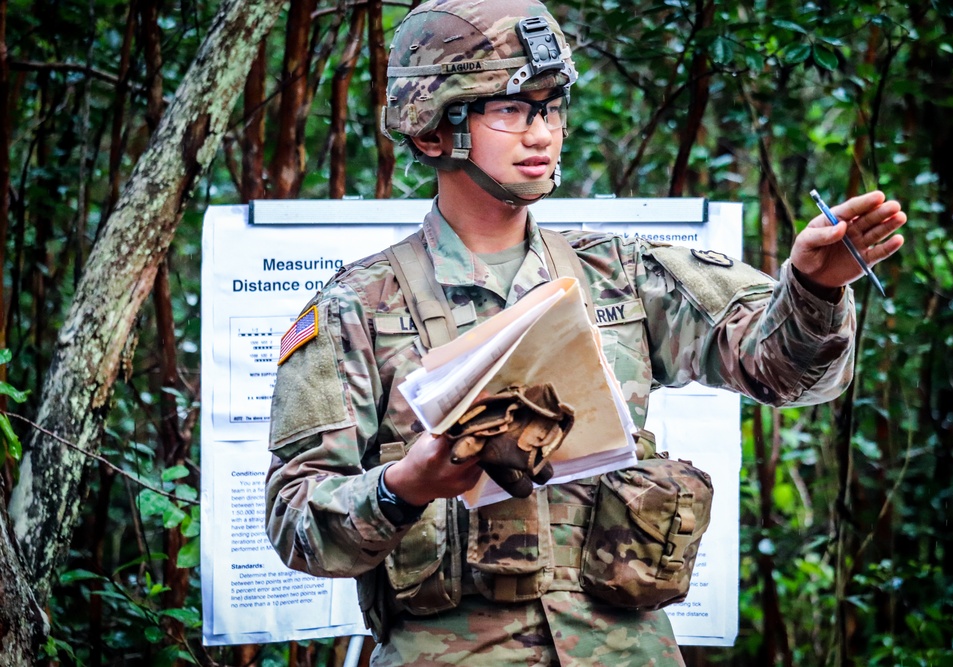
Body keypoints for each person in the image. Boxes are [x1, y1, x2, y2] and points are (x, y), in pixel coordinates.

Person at [264, 1, 907, 665]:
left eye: (551, 106)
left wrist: (813, 285)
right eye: (511, 109)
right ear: (433, 132)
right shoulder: (353, 310)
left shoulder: (623, 274)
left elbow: (787, 372)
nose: (541, 132)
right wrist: (404, 486)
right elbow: (295, 523)